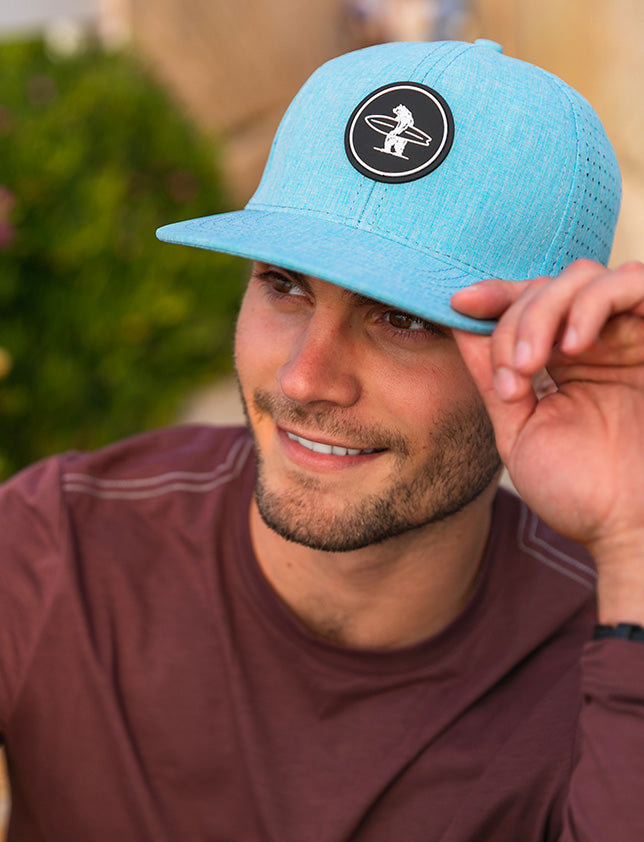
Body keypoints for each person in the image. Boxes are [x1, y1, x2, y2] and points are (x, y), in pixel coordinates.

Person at [1, 38, 643, 841]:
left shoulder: (609, 646)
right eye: (284, 284)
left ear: (549, 360)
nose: (306, 379)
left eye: (404, 319)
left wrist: (635, 539)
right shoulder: (58, 549)